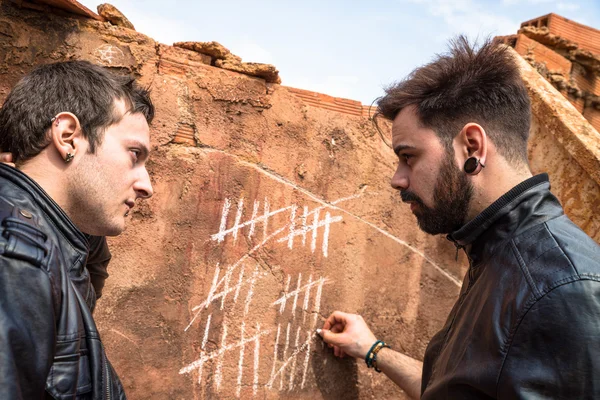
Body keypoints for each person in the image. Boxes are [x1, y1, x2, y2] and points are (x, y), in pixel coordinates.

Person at [318, 37, 600, 399]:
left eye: (408, 156)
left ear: (472, 146)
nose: (397, 179)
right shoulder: (497, 253)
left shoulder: (564, 289)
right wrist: (372, 349)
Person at [0, 61, 154, 399]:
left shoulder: (53, 246)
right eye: (134, 154)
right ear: (68, 136)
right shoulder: (18, 258)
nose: (146, 185)